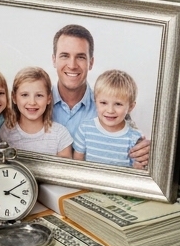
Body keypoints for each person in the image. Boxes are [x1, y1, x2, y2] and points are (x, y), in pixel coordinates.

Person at [49, 24, 150, 169]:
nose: (72, 65)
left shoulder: (107, 105)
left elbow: (130, 139)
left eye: (81, 57)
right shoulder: (35, 105)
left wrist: (149, 152)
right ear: (54, 60)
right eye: (64, 56)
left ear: (91, 63)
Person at [0, 67, 73, 157]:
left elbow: (64, 170)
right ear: (14, 98)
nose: (32, 102)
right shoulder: (6, 132)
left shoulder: (60, 135)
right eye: (25, 95)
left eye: (39, 95)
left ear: (49, 98)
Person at [72, 70, 142, 167]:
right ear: (95, 101)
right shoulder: (85, 129)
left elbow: (137, 173)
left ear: (130, 107)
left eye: (118, 104)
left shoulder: (134, 138)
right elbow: (76, 164)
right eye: (103, 103)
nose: (110, 110)